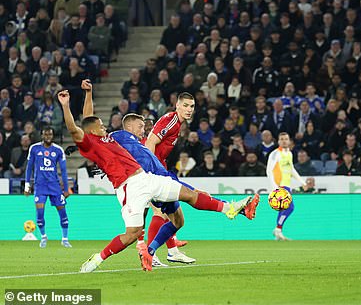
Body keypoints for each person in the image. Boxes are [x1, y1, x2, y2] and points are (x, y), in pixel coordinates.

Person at [56, 90, 257, 273]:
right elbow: (76, 127)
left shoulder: (110, 138)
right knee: (132, 234)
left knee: (189, 195)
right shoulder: (92, 143)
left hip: (147, 178)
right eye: (100, 125)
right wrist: (66, 106)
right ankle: (98, 259)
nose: (104, 125)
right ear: (92, 131)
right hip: (129, 188)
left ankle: (229, 209)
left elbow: (89, 118)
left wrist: (89, 92)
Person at [79, 79, 200, 266]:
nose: (144, 131)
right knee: (159, 214)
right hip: (134, 183)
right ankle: (154, 252)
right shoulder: (117, 137)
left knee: (161, 215)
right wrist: (88, 94)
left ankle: (162, 249)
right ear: (129, 127)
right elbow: (90, 124)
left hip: (143, 181)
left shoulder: (137, 144)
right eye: (141, 127)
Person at [24, 127, 71, 248]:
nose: (48, 137)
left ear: (53, 136)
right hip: (40, 186)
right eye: (46, 134)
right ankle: (43, 237)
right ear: (42, 135)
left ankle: (65, 239)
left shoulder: (58, 150)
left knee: (63, 213)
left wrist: (66, 188)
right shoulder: (34, 149)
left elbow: (64, 171)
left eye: (50, 134)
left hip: (54, 186)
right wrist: (27, 185)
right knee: (40, 215)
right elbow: (29, 168)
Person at [266, 132, 308, 240]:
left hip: (286, 185)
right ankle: (278, 229)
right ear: (278, 141)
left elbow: (291, 170)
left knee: (283, 209)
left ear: (289, 141)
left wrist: (302, 182)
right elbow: (269, 171)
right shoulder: (275, 154)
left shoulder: (289, 153)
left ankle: (278, 231)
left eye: (286, 139)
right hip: (279, 185)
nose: (284, 141)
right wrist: (275, 187)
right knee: (290, 207)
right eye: (282, 139)